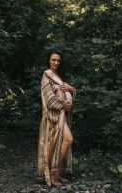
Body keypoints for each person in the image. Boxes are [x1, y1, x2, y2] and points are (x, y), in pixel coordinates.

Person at [37, 51, 76, 187]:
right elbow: (48, 97)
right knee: (68, 139)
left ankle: (57, 174)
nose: (56, 63)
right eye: (53, 60)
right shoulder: (47, 75)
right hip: (53, 116)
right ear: (49, 60)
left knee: (63, 142)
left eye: (58, 61)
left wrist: (71, 89)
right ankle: (54, 175)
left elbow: (68, 93)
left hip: (62, 116)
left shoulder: (59, 76)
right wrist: (62, 104)